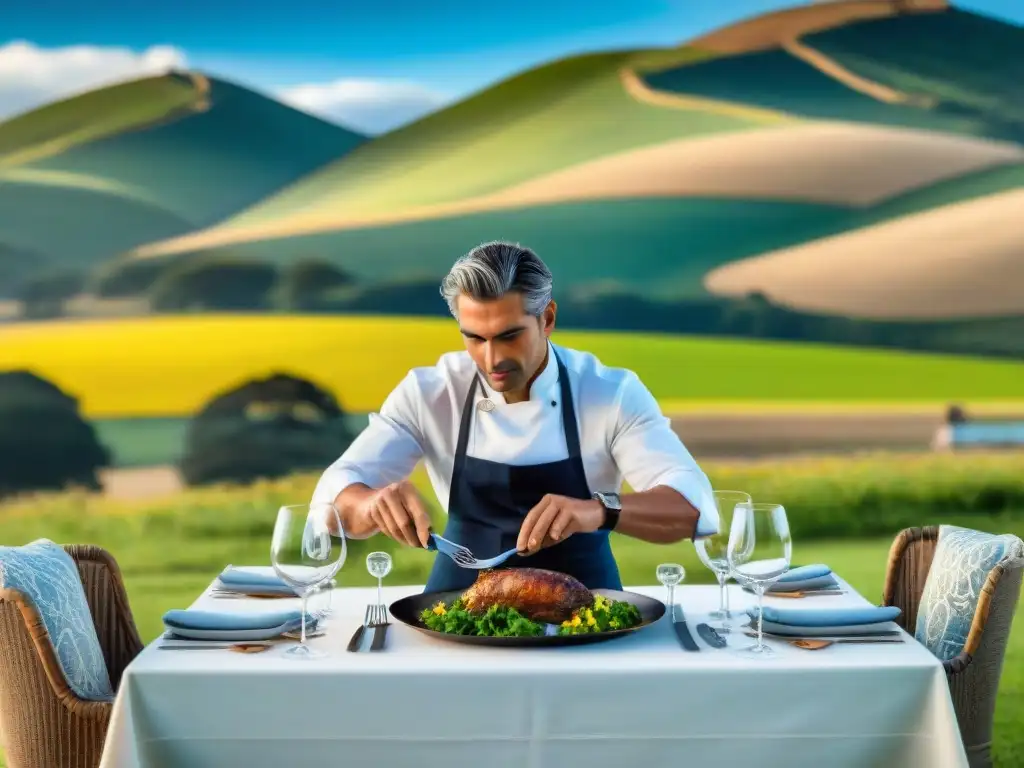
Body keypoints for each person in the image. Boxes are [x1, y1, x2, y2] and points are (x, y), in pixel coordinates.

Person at [311, 241, 719, 592]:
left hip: (589, 617)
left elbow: (694, 508)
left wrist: (598, 510)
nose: (493, 359)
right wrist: (370, 506)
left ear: (548, 318)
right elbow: (331, 499)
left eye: (510, 336)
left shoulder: (610, 392)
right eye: (475, 338)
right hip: (454, 613)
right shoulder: (429, 391)